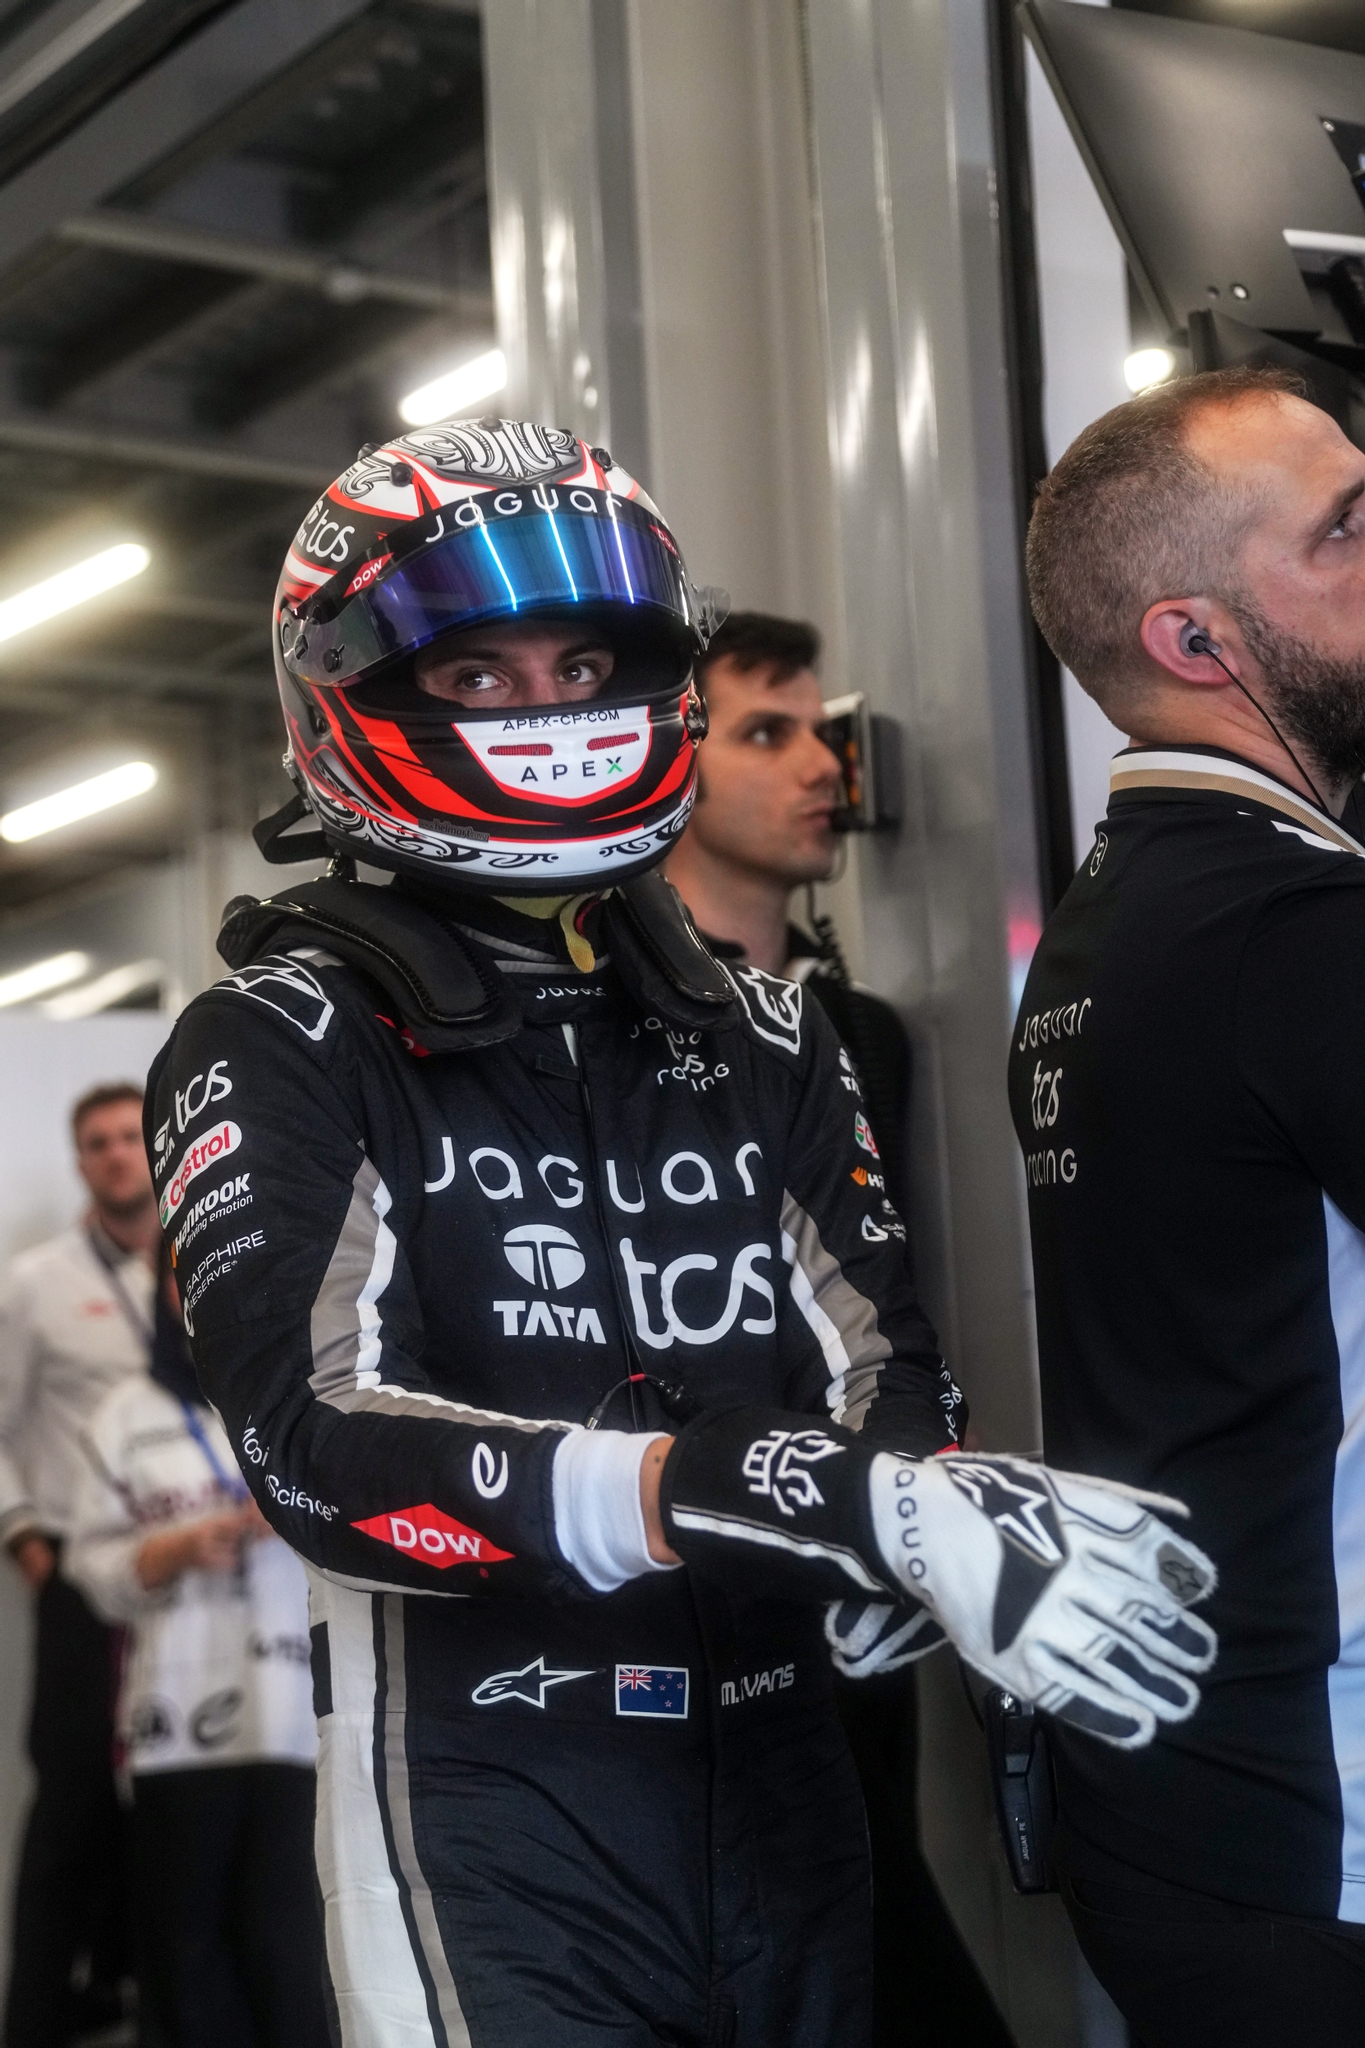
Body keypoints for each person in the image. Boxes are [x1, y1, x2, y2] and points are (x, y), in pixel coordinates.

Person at [149, 418, 1216, 2048]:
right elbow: (315, 1452)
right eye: (483, 676)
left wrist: (910, 1521)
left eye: (588, 659)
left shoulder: (772, 1031)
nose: (553, 708)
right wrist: (750, 1482)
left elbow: (888, 1362)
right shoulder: (280, 1037)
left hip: (798, 1781)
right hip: (494, 1810)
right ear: (346, 694)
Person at [1015, 362, 1365, 2045]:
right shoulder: (1292, 934)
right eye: (1346, 533)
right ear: (1196, 637)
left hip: (1184, 1797)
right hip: (1327, 1826)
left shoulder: (1114, 925)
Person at [666, 608, 1014, 2046]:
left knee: (861, 1887)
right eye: (768, 731)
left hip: (864, 1552)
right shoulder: (594, 1030)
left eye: (821, 730)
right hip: (683, 1566)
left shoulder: (860, 1034)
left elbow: (886, 1296)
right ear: (667, 763)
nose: (823, 765)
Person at [68, 1242, 325, 2048]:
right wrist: (171, 1551)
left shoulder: (307, 1393)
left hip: (297, 1716)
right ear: (165, 1292)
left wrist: (288, 1510)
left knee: (289, 1945)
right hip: (176, 1715)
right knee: (183, 1946)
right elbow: (92, 1562)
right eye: (182, 1273)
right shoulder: (125, 1414)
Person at [0, 1083, 157, 2048]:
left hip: (187, 1581)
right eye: (94, 1142)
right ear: (80, 1163)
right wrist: (24, 1537)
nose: (114, 1155)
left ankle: (126, 1982)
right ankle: (33, 2015)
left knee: (175, 1792)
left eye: (129, 1138)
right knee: (71, 1798)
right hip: (76, 1576)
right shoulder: (36, 1281)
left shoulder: (200, 1264)